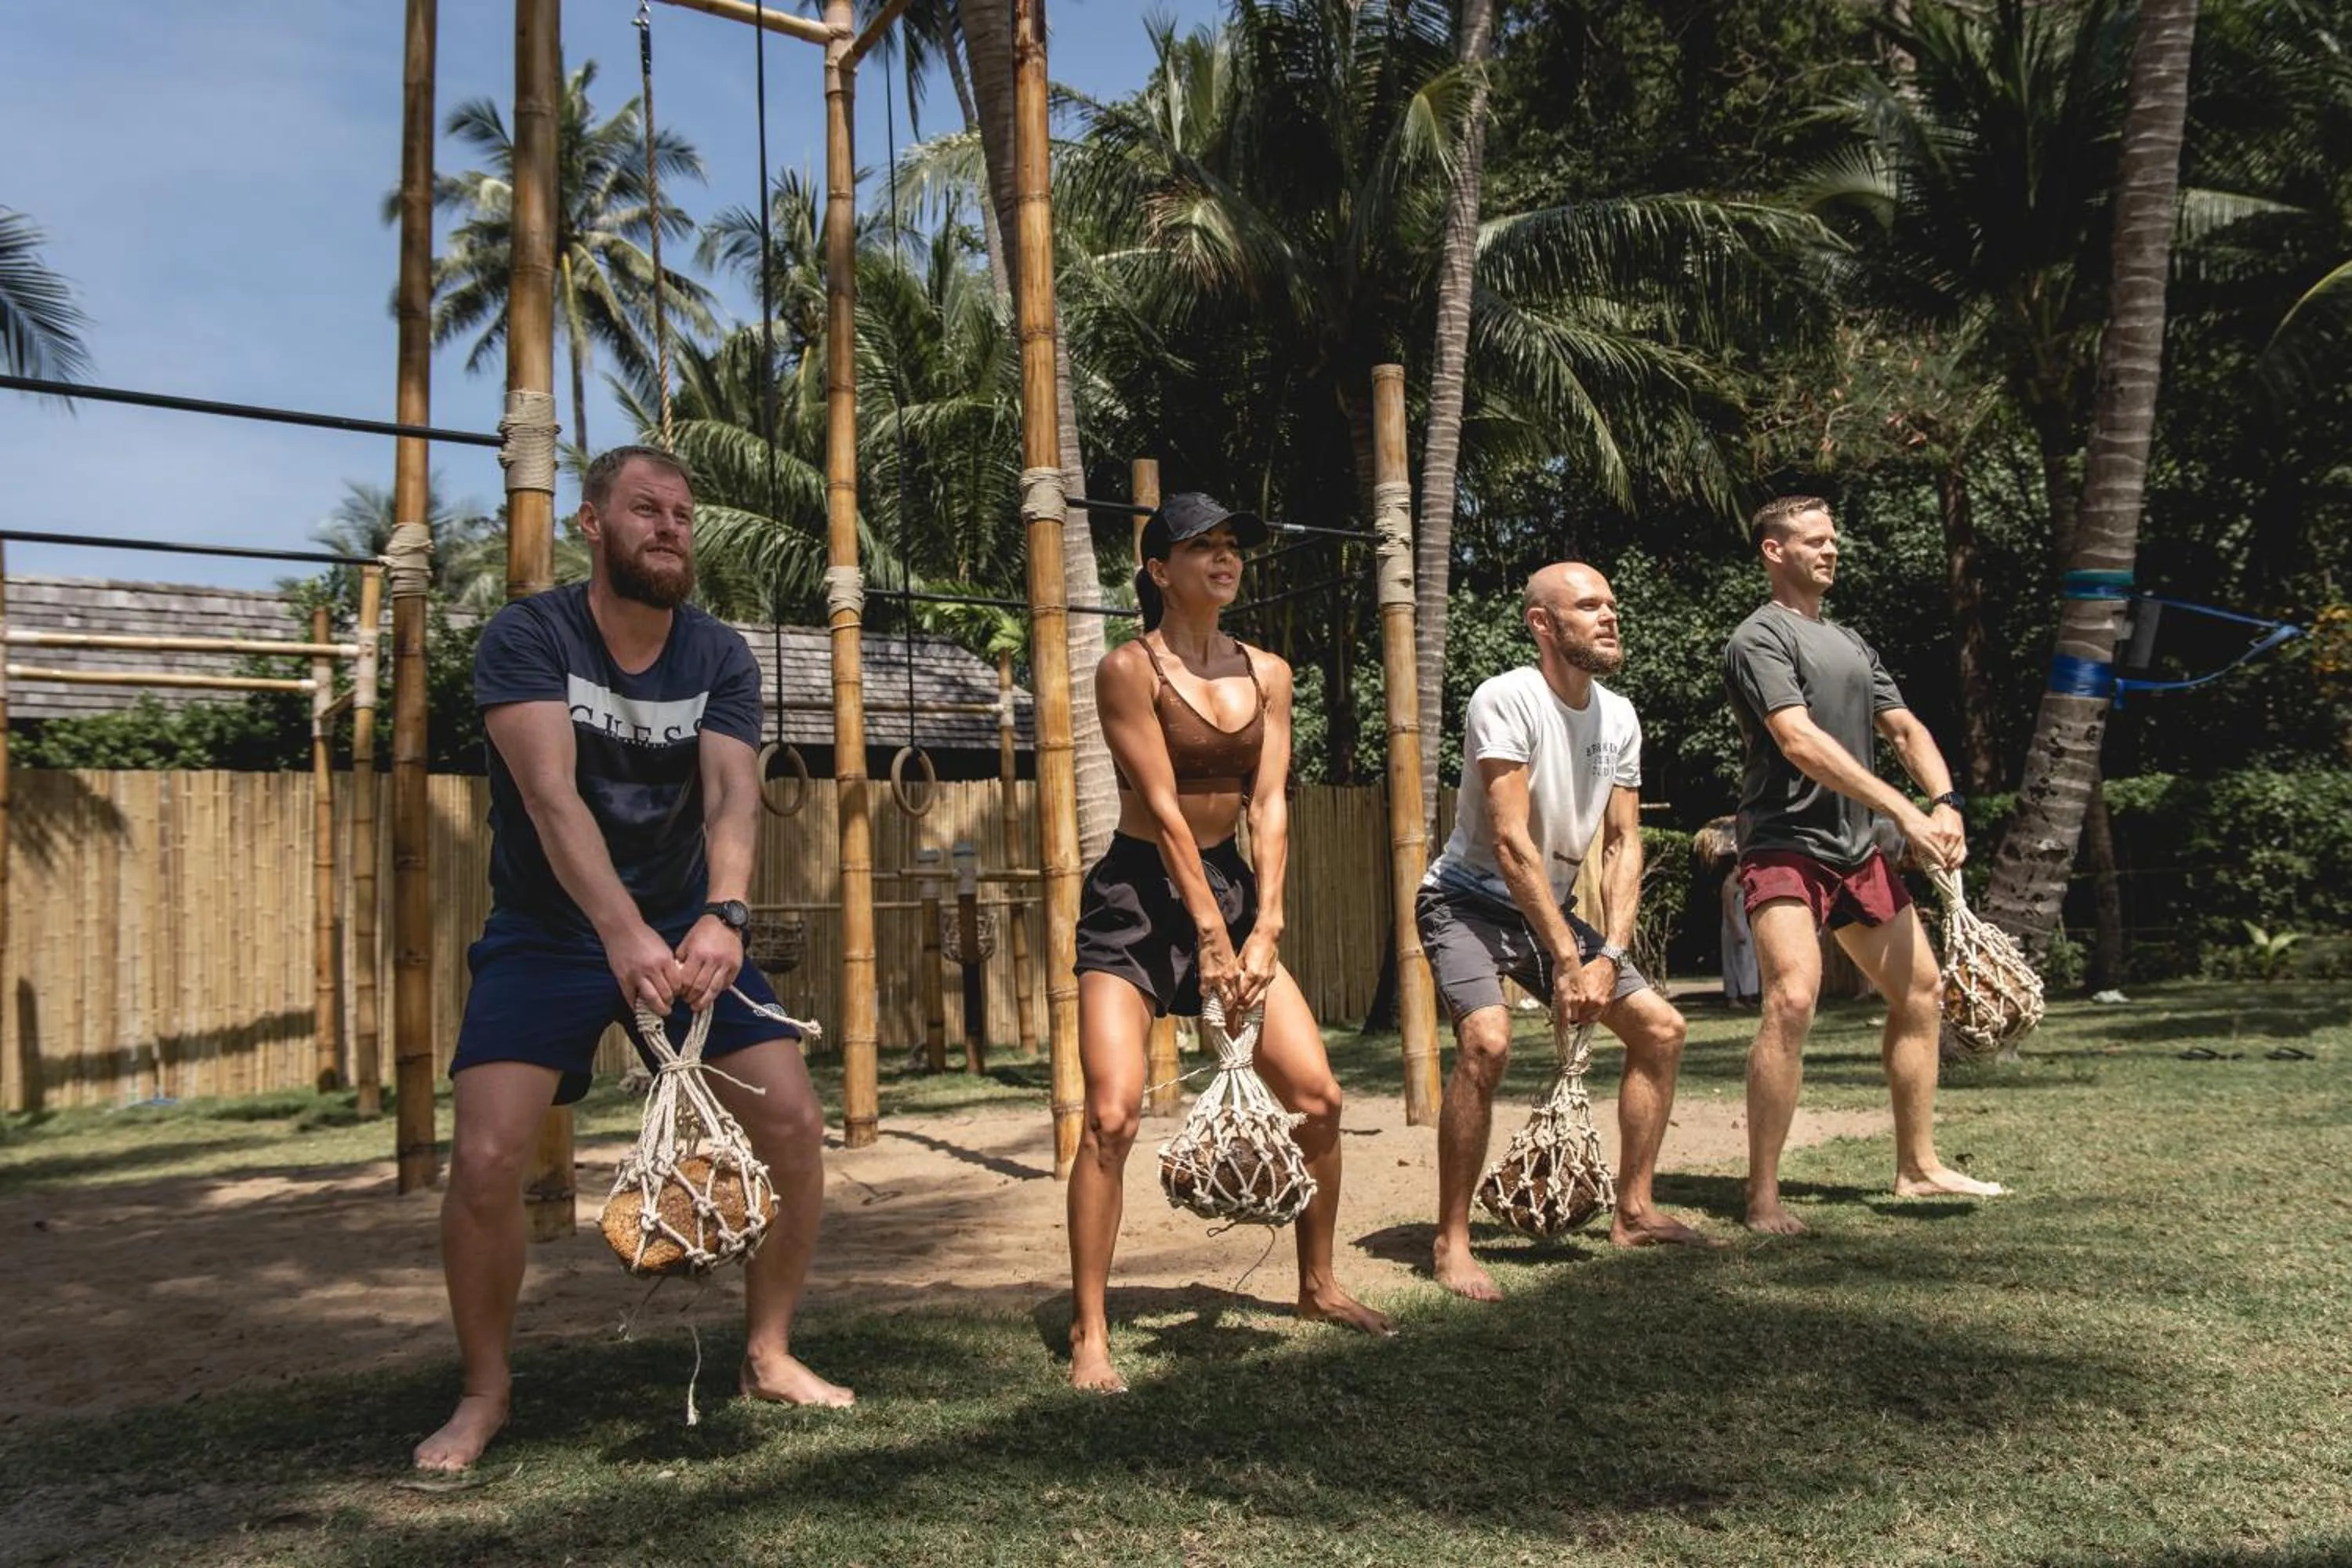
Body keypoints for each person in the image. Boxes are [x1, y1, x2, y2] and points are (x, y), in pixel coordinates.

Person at [414, 445, 848, 1472]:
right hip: (551, 930)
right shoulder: (531, 636)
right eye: (645, 509)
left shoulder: (718, 655)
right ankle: (485, 1394)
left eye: (683, 514)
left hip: (689, 925)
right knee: (484, 1159)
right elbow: (550, 797)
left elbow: (734, 797)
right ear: (592, 525)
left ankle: (769, 1354)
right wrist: (621, 933)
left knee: (792, 1120)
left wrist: (725, 915)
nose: (669, 527)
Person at [1066, 491, 1393, 1392]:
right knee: (1111, 1115)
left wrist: (1267, 924)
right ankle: (1090, 1330)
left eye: (1231, 546)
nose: (1224, 558)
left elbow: (1269, 802)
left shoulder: (1271, 673)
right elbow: (1165, 810)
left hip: (1236, 893)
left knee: (1320, 1098)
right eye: (1201, 545)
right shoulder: (1128, 670)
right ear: (1158, 569)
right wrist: (1210, 933)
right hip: (1137, 897)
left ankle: (1316, 1283)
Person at [1417, 563, 1708, 1304]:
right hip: (1465, 901)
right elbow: (1512, 843)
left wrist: (1608, 954)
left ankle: (1634, 1210)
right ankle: (1452, 1238)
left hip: (1548, 911)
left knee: (1662, 1032)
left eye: (1612, 602)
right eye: (1588, 606)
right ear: (1543, 624)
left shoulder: (1619, 716)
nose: (1610, 615)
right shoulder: (1506, 699)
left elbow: (1622, 843)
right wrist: (1567, 959)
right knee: (1486, 1042)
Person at [1722, 495, 2004, 1235]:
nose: (1832, 549)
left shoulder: (1849, 642)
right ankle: (1762, 1199)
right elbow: (1797, 741)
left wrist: (1944, 801)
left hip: (1857, 850)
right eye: (1814, 540)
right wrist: (1905, 812)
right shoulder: (1759, 638)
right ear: (1773, 553)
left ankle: (1917, 1168)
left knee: (1920, 992)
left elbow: (1904, 728)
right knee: (1791, 999)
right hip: (1785, 845)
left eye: (1834, 538)